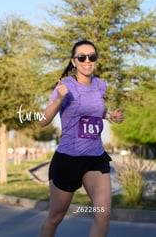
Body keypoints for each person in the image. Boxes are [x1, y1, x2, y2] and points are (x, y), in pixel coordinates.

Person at [39, 40, 124, 237]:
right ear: (74, 61)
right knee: (56, 216)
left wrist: (110, 116)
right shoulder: (65, 86)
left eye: (92, 57)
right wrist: (59, 99)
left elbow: (96, 110)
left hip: (95, 156)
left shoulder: (100, 85)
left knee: (103, 214)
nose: (87, 61)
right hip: (68, 158)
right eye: (82, 57)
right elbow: (43, 121)